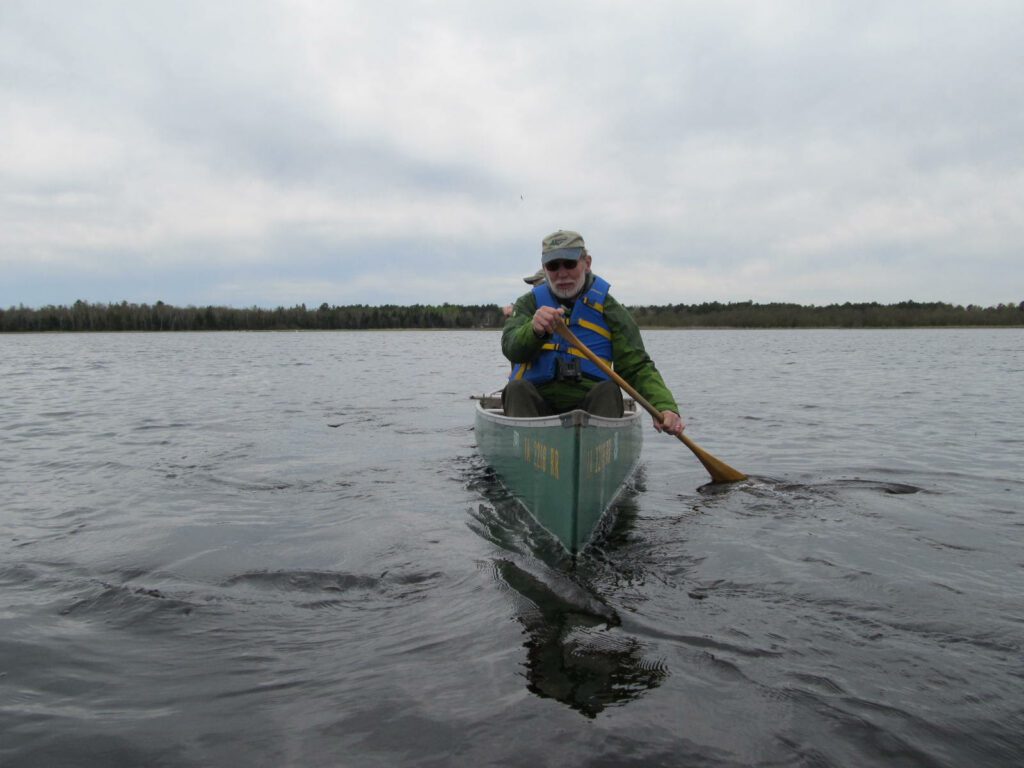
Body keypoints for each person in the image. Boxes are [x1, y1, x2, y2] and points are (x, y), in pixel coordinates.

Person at [502, 230, 685, 436]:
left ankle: (595, 455)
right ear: (545, 268)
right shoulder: (528, 304)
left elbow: (636, 366)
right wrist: (533, 330)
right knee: (517, 389)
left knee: (608, 390)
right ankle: (526, 456)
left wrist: (663, 406)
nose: (562, 274)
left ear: (586, 263)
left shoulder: (610, 308)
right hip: (536, 407)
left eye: (569, 264)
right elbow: (511, 347)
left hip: (591, 407)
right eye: (553, 266)